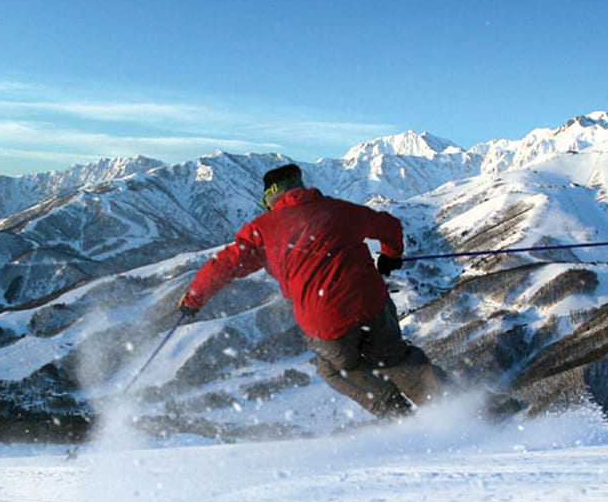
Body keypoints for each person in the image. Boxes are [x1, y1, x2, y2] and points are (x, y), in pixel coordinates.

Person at [177, 163, 442, 419]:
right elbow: (390, 226)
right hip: (371, 303)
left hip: (325, 320)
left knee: (335, 369)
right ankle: (455, 408)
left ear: (271, 196)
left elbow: (223, 266)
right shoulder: (340, 210)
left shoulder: (264, 229)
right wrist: (391, 255)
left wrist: (193, 300)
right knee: (397, 358)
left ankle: (400, 417)